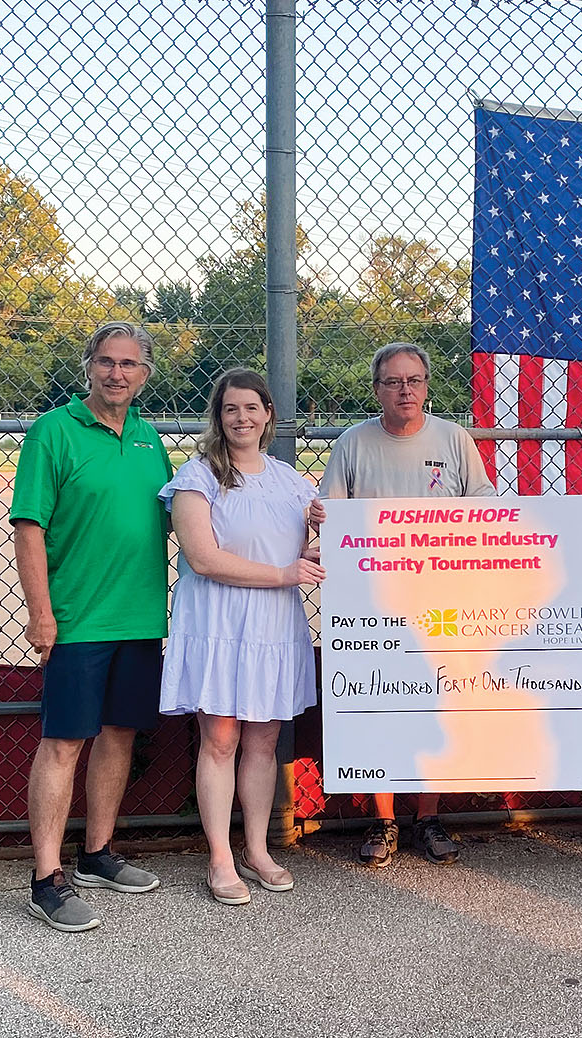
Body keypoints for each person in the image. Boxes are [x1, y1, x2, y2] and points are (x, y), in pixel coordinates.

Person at [10, 323, 172, 932]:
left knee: (119, 734)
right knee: (63, 743)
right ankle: (44, 878)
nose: (117, 374)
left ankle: (97, 854)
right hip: (76, 619)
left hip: (139, 618)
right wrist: (41, 611)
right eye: (106, 362)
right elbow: (30, 527)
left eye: (129, 364)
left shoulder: (149, 440)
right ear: (88, 367)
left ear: (145, 374)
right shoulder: (53, 432)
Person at [319, 341, 495, 867]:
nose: (405, 390)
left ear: (426, 386)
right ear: (376, 389)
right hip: (374, 601)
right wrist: (322, 517)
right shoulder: (354, 443)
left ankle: (429, 817)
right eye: (393, 381)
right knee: (379, 703)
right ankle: (384, 818)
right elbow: (331, 513)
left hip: (442, 598)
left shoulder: (454, 438)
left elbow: (484, 502)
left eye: (414, 380)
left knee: (437, 704)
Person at [159, 369, 326, 905]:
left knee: (263, 742)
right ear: (219, 416)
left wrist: (332, 533)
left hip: (273, 626)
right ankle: (220, 859)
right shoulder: (198, 476)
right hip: (219, 624)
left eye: (251, 408)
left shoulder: (292, 482)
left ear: (269, 414)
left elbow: (306, 553)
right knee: (221, 739)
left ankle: (257, 849)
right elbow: (204, 559)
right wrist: (286, 573)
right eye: (231, 409)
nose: (242, 418)